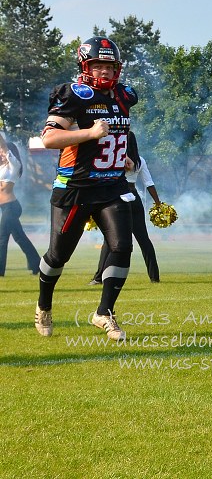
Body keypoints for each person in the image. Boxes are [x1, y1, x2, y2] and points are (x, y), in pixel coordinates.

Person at [35, 36, 138, 340]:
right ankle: (44, 304)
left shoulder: (123, 95)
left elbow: (116, 132)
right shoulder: (74, 95)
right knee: (58, 256)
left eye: (110, 65)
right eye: (98, 65)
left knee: (122, 247)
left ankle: (104, 313)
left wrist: (122, 156)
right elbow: (49, 139)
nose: (105, 72)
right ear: (85, 66)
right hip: (76, 187)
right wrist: (89, 132)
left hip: (111, 185)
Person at [89, 131, 161, 285]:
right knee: (144, 239)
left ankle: (98, 278)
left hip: (117, 199)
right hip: (135, 199)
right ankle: (154, 277)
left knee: (109, 239)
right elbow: (149, 183)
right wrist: (158, 202)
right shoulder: (139, 160)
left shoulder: (115, 159)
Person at [0, 133, 41, 276]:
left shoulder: (14, 166)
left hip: (11, 207)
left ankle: (0, 271)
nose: (1, 153)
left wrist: (0, 137)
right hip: (4, 208)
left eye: (2, 151)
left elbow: (5, 148)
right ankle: (37, 264)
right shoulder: (1, 167)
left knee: (2, 238)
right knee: (20, 237)